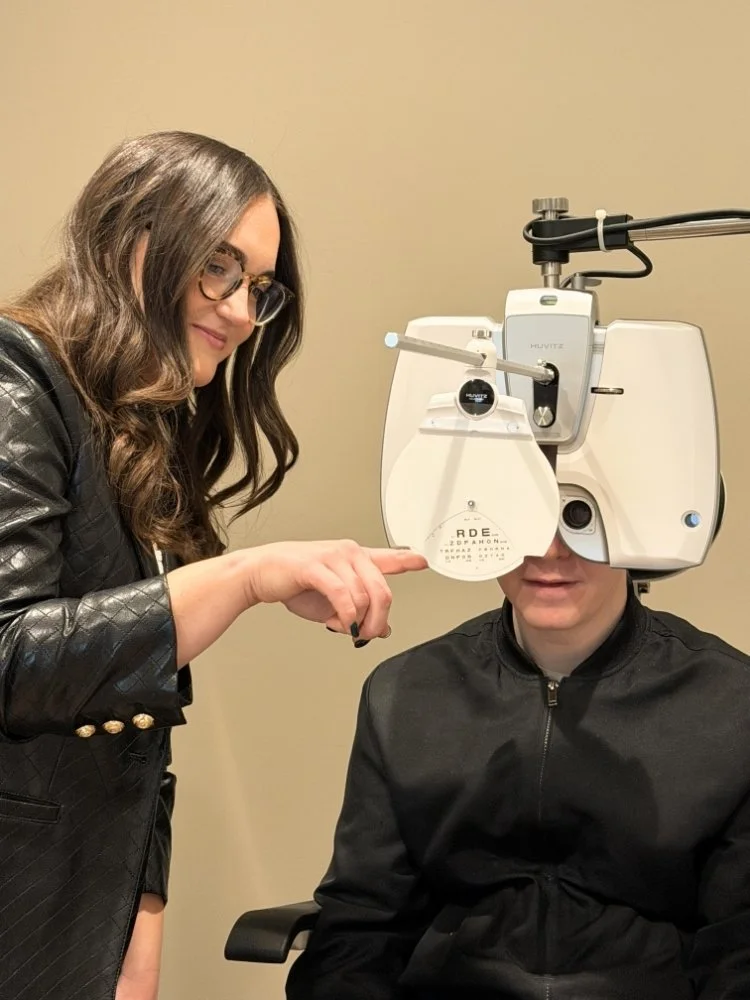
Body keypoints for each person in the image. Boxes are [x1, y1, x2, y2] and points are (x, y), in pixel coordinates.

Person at [0, 130, 427, 1000]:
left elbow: (137, 714)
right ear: (132, 240)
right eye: (217, 269)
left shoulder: (140, 423)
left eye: (258, 288)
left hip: (85, 904)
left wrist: (141, 912)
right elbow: (10, 654)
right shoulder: (19, 373)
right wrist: (242, 578)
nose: (239, 310)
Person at [286, 532, 750, 999]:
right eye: (526, 522)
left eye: (578, 519)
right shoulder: (408, 690)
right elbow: (365, 920)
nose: (549, 552)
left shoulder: (730, 700)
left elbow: (738, 944)